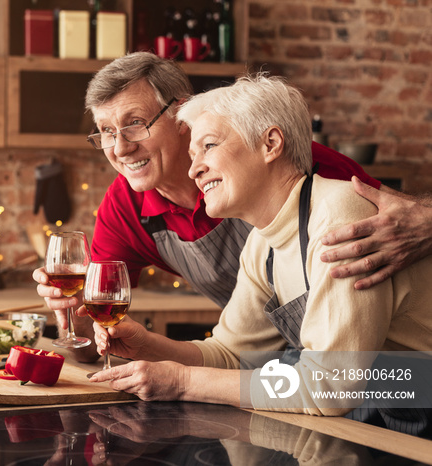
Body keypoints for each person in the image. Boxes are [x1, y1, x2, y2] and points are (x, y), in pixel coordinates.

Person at [88, 73, 432, 435]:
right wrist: (149, 346)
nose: (195, 169)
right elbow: (231, 356)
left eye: (209, 146)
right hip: (384, 408)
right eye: (193, 154)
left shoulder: (337, 215)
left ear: (270, 144)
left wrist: (184, 382)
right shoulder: (262, 243)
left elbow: (331, 386)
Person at [33, 52, 432, 361]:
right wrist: (78, 320)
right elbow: (229, 355)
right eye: (105, 132)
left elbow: (337, 381)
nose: (119, 148)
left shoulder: (313, 176)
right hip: (274, 366)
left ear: (181, 113)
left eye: (135, 123)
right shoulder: (127, 207)